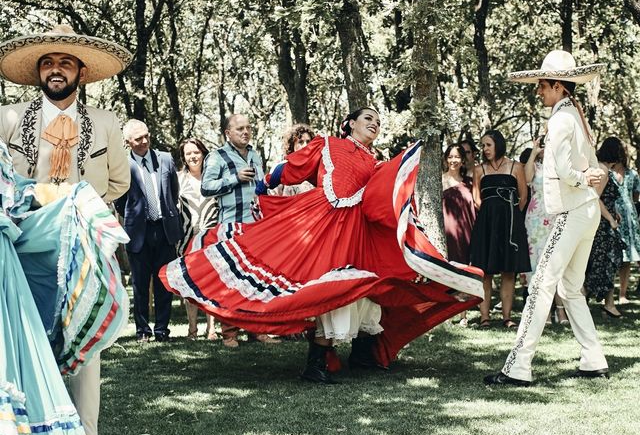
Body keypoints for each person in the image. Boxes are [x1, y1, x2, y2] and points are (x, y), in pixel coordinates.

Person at [160, 107, 485, 384]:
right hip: (325, 223)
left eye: (378, 122)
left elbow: (385, 196)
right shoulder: (329, 145)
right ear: (350, 124)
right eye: (367, 118)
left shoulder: (375, 163)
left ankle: (362, 355)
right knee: (329, 285)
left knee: (364, 285)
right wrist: (264, 184)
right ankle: (316, 362)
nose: (374, 123)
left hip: (359, 231)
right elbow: (292, 167)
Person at [0, 24, 132, 435]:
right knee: (28, 334)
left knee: (84, 340)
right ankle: (33, 429)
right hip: (25, 242)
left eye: (65, 63)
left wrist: (77, 205)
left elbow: (119, 181)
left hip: (84, 241)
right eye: (48, 63)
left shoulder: (107, 123)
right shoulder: (9, 118)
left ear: (80, 71)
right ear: (39, 72)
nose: (56, 70)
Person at [485, 49, 610, 386]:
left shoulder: (559, 119)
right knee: (570, 289)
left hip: (572, 210)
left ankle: (519, 366)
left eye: (542, 85)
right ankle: (593, 359)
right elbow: (592, 164)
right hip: (586, 210)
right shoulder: (577, 116)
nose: (538, 91)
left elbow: (568, 170)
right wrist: (590, 177)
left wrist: (584, 179)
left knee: (541, 284)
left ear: (558, 86)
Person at [200, 113, 280, 347]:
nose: (245, 132)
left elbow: (259, 188)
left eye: (248, 128)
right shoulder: (217, 156)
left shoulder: (255, 154)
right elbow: (206, 187)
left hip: (256, 225)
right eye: (239, 129)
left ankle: (258, 330)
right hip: (231, 225)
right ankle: (229, 333)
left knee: (257, 277)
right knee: (232, 279)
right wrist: (234, 178)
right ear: (228, 133)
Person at [115, 119, 182, 343]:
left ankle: (162, 330)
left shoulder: (165, 159)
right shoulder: (121, 165)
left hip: (164, 230)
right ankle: (142, 330)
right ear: (127, 142)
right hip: (138, 233)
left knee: (164, 281)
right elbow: (120, 201)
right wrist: (135, 217)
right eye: (138, 138)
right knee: (140, 285)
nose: (144, 141)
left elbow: (173, 192)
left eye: (146, 136)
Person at [470, 129, 531, 329]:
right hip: (486, 225)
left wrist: (508, 214)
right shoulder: (479, 170)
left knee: (508, 271)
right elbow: (477, 200)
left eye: (488, 145)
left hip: (510, 224)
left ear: (498, 144)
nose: (485, 149)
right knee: (485, 272)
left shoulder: (516, 167)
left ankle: (507, 317)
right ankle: (485, 317)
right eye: (483, 146)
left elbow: (522, 197)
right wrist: (492, 213)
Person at [522, 138, 569, 325]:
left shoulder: (560, 167)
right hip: (535, 220)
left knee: (557, 266)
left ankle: (561, 310)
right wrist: (534, 151)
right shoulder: (535, 166)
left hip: (557, 218)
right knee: (537, 266)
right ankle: (543, 312)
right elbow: (525, 179)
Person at [176, 137, 218, 339]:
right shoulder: (177, 179)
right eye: (188, 153)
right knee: (188, 283)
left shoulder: (213, 178)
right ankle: (192, 329)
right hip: (185, 238)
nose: (193, 156)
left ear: (203, 153)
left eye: (196, 152)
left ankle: (212, 329)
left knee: (211, 282)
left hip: (210, 238)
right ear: (184, 157)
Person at [599, 136, 640, 305]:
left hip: (630, 220)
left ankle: (622, 295)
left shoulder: (633, 174)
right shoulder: (605, 172)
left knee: (627, 259)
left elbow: (636, 197)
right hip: (611, 216)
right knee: (611, 258)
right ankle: (607, 297)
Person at [584, 153, 624, 318]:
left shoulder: (604, 169)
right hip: (601, 225)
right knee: (600, 264)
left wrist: (614, 213)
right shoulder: (603, 169)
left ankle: (609, 304)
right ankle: (579, 302)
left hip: (605, 222)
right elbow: (595, 198)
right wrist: (610, 219)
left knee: (609, 263)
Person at [441, 143, 476, 327]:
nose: (453, 160)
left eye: (457, 157)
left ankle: (463, 315)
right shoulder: (440, 180)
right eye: (450, 156)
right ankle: (445, 314)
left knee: (464, 270)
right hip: (447, 231)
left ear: (463, 160)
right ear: (446, 159)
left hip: (466, 231)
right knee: (447, 271)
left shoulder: (470, 182)